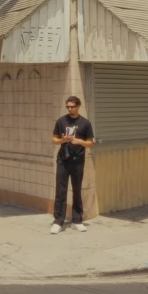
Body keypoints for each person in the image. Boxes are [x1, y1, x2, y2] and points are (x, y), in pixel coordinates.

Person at [50, 95, 94, 234]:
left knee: (77, 190)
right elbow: (54, 140)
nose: (70, 109)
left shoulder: (85, 123)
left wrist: (79, 141)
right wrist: (63, 140)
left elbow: (90, 143)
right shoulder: (61, 121)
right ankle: (58, 221)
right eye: (68, 107)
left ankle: (77, 220)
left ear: (78, 106)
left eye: (72, 106)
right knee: (61, 191)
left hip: (78, 161)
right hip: (63, 160)